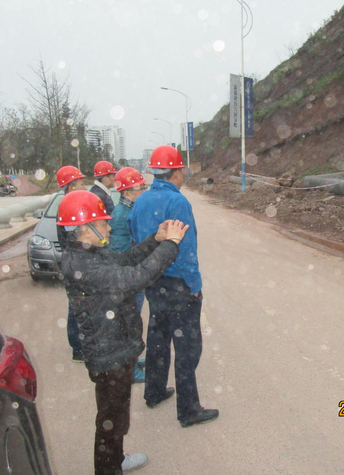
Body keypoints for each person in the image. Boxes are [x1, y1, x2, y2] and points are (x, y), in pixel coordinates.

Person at [59, 189, 188, 474]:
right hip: (109, 355)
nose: (108, 228)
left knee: (114, 416)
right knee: (111, 420)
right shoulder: (83, 265)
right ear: (85, 229)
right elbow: (135, 277)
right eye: (103, 223)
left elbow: (126, 260)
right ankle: (109, 468)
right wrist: (171, 245)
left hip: (114, 349)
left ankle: (115, 460)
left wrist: (155, 240)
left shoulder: (89, 254)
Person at [128, 145, 219, 428]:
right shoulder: (178, 202)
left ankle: (154, 392)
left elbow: (135, 238)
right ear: (176, 172)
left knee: (158, 338)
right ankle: (188, 409)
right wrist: (194, 284)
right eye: (182, 169)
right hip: (179, 285)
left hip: (154, 282)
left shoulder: (141, 200)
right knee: (187, 347)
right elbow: (186, 249)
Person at [109, 167, 148, 383]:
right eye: (139, 188)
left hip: (133, 277)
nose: (142, 191)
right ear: (126, 192)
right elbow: (122, 255)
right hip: (128, 281)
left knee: (133, 322)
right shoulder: (120, 216)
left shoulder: (129, 210)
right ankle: (130, 369)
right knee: (129, 325)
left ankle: (133, 361)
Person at [56, 165, 87, 362]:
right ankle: (77, 347)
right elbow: (73, 238)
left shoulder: (70, 203)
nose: (84, 186)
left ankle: (80, 343)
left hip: (74, 259)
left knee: (79, 304)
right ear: (70, 186)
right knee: (76, 306)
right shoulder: (68, 206)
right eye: (81, 183)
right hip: (74, 261)